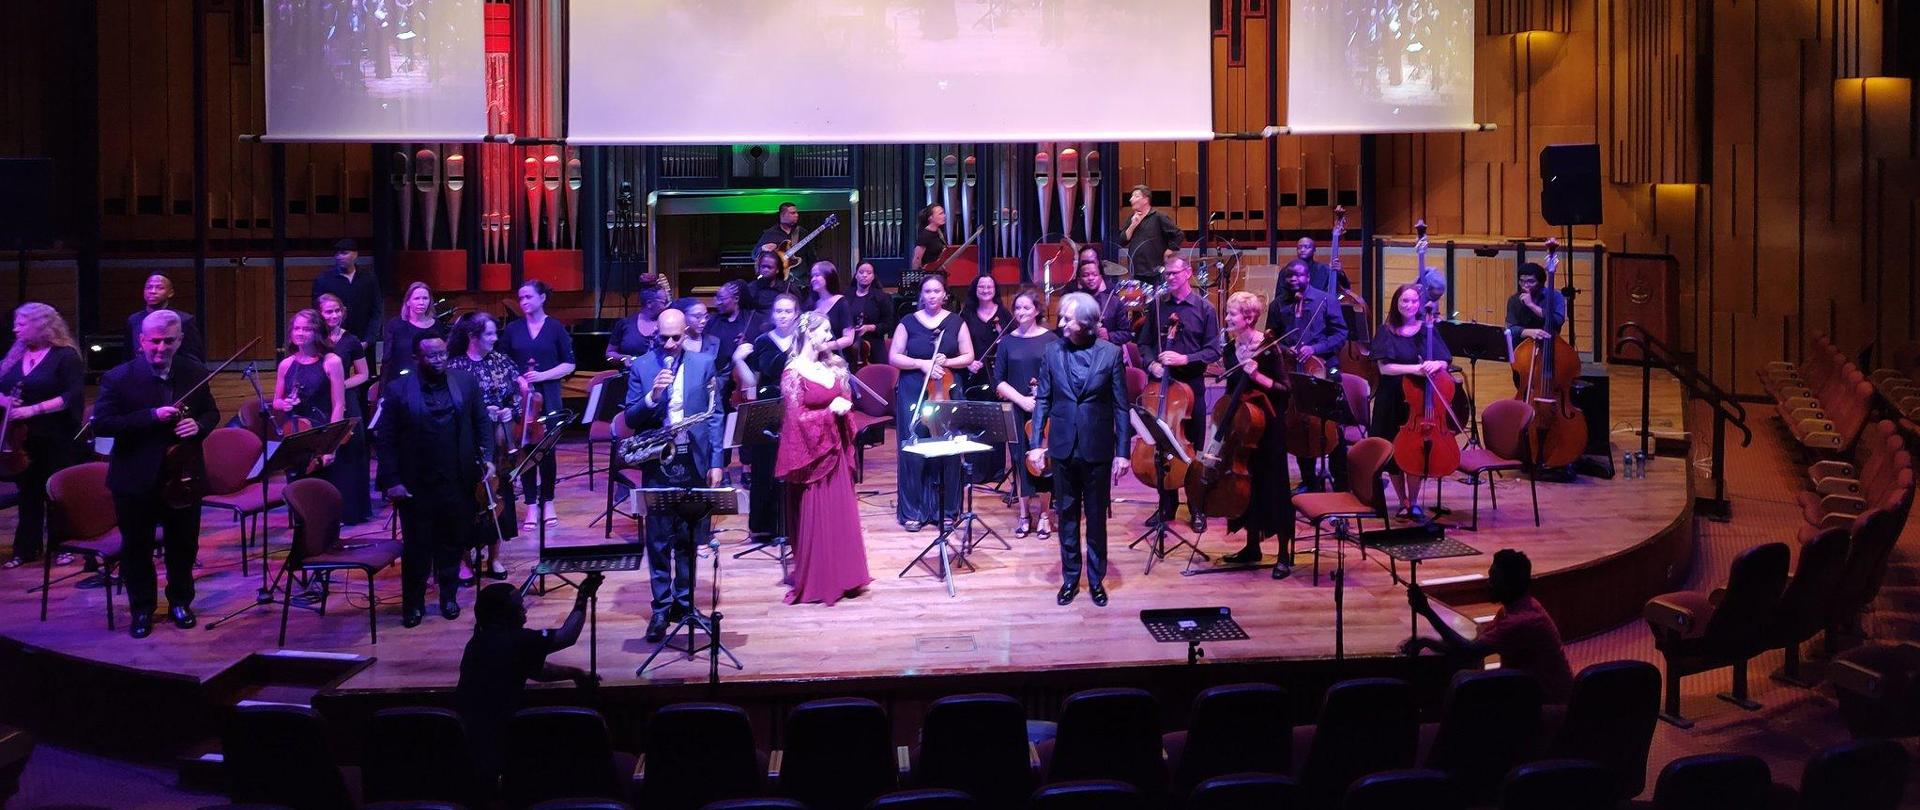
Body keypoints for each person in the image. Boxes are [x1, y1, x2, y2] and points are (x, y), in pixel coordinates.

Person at [92, 310, 220, 638]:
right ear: (142, 341)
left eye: (168, 341)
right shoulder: (118, 377)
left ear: (180, 341)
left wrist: (199, 425)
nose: (161, 348)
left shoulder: (194, 371)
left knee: (183, 545)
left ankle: (180, 602)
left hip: (184, 477)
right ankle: (142, 609)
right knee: (137, 548)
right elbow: (103, 423)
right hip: (135, 478)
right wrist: (150, 416)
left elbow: (211, 412)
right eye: (155, 341)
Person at [619, 308, 725, 642]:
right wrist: (652, 396)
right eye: (663, 338)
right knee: (659, 538)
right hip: (658, 459)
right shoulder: (642, 366)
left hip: (693, 458)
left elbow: (715, 416)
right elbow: (631, 418)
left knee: (689, 535)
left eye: (675, 338)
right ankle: (661, 607)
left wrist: (716, 461)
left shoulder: (704, 363)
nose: (668, 344)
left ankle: (685, 602)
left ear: (686, 333)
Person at [375, 333, 493, 627]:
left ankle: (448, 597)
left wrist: (488, 457)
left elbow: (481, 421)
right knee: (417, 547)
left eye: (442, 354)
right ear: (418, 358)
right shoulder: (398, 389)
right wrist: (392, 480)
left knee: (452, 542)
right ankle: (413, 604)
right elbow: (386, 439)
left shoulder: (464, 382)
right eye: (431, 356)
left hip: (456, 478)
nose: (439, 360)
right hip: (415, 482)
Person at [1026, 292, 1130, 607]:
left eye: (1067, 319)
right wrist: (1035, 445)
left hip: (1097, 447)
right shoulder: (1052, 351)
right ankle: (1071, 578)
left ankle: (1096, 581)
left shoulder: (1111, 354)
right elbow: (1043, 399)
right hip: (1063, 446)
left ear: (1085, 322)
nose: (1061, 323)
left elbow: (1121, 406)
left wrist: (1123, 452)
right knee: (1067, 516)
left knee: (1096, 518)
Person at [457, 574, 603, 780]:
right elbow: (567, 636)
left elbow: (535, 670)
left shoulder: (477, 642)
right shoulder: (518, 640)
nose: (524, 610)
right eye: (518, 607)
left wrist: (575, 673)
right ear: (503, 615)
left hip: (468, 737)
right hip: (498, 739)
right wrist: (583, 596)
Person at [775, 311, 873, 605]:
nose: (830, 337)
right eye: (826, 331)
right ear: (809, 333)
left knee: (840, 513)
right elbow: (796, 419)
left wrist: (843, 398)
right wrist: (830, 412)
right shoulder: (793, 372)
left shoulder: (830, 365)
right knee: (818, 516)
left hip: (835, 449)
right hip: (812, 454)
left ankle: (845, 576)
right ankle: (821, 579)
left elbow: (843, 400)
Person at [1402, 549, 1574, 703]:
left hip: (1549, 704)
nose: (1488, 583)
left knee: (1465, 686)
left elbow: (1469, 652)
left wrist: (1427, 611)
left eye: (1494, 579)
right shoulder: (1517, 608)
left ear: (1509, 584)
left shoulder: (1520, 622)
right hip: (1526, 693)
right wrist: (1428, 642)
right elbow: (1470, 646)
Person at [1138, 255, 1220, 533]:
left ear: (1187, 273)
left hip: (1191, 387)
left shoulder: (1204, 309)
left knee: (1192, 449)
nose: (1170, 278)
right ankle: (1167, 505)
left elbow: (1213, 350)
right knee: (1164, 447)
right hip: (1162, 387)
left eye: (1174, 273)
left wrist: (1184, 359)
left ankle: (1196, 507)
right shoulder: (1157, 306)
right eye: (1167, 274)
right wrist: (1151, 363)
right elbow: (1144, 343)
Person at [1215, 292, 1295, 577]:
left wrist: (1258, 376)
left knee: (1274, 488)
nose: (1227, 318)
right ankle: (1252, 547)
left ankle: (1284, 555)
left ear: (1248, 317)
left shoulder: (1269, 348)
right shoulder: (1230, 349)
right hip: (1242, 427)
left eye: (1231, 313)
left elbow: (1285, 389)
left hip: (1268, 427)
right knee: (1246, 486)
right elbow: (1231, 390)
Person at [0, 303, 84, 569]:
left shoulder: (65, 356)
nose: (15, 329)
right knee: (28, 492)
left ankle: (63, 546)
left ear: (41, 325)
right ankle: (26, 548)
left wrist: (32, 410)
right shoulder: (16, 355)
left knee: (54, 492)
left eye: (21, 324)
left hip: (54, 436)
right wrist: (5, 401)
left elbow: (71, 396)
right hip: (21, 439)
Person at [889, 275, 973, 531]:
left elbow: (969, 356)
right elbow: (894, 356)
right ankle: (913, 510)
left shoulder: (956, 322)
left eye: (937, 291)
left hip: (946, 388)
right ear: (921, 295)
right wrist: (921, 364)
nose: (932, 295)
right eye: (928, 291)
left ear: (945, 294)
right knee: (914, 446)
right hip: (913, 389)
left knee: (947, 447)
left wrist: (946, 362)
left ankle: (946, 510)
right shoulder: (907, 322)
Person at [448, 312, 526, 581]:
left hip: (499, 442)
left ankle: (494, 558)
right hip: (468, 441)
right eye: (489, 334)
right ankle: (464, 561)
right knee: (468, 498)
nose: (495, 338)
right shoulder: (455, 366)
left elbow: (517, 395)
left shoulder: (502, 361)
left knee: (499, 493)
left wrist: (511, 410)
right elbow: (451, 405)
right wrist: (481, 412)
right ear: (473, 336)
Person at [1369, 283, 1456, 521]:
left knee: (1415, 449)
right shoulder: (1386, 331)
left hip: (1419, 400)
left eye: (1414, 301)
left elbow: (1445, 360)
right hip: (1392, 397)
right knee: (1394, 451)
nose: (1409, 305)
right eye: (1404, 301)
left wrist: (1436, 364)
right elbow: (1385, 368)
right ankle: (1402, 501)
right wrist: (1416, 369)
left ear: (1419, 304)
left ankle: (1415, 502)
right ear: (1396, 303)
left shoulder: (1428, 329)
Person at [1267, 259, 1350, 492]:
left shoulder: (1326, 300)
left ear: (1308, 277)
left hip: (1324, 368)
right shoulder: (1278, 305)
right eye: (1289, 276)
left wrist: (1315, 348)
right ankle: (1308, 480)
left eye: (1298, 275)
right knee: (1299, 424)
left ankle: (1341, 481)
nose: (1293, 279)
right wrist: (1286, 350)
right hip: (1293, 370)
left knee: (1332, 425)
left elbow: (1340, 334)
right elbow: (1272, 338)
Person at [500, 280, 575, 529]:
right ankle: (531, 504)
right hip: (522, 397)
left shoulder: (555, 328)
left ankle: (548, 501)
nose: (523, 302)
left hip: (549, 394)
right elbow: (504, 362)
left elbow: (569, 364)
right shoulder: (513, 329)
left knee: (547, 450)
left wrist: (542, 376)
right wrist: (519, 379)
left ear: (542, 298)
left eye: (528, 297)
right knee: (527, 448)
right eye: (521, 298)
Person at [992, 288, 1059, 539]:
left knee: (1043, 461)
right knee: (1020, 461)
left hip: (1046, 409)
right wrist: (1021, 400)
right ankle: (1023, 515)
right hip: (1016, 409)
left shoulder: (1051, 339)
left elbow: (1057, 374)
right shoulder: (1007, 341)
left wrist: (1040, 399)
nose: (1021, 312)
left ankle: (1044, 515)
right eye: (1017, 308)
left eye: (1026, 307)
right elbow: (998, 379)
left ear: (1037, 310)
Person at [732, 295, 799, 545]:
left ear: (796, 314)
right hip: (768, 409)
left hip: (797, 407)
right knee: (765, 468)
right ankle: (765, 527)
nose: (783, 315)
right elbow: (752, 381)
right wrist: (738, 360)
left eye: (788, 311)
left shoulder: (804, 340)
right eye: (779, 311)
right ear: (773, 314)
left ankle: (793, 525)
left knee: (794, 466)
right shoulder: (762, 341)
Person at [318, 294, 373, 523]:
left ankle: (351, 510)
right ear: (320, 314)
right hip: (321, 401)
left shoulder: (351, 340)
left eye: (337, 311)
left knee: (349, 454)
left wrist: (340, 385)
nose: (333, 315)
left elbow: (363, 374)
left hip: (346, 401)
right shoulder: (315, 339)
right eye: (328, 312)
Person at [959, 274, 1012, 482]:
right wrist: (968, 362)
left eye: (989, 286)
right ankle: (977, 471)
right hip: (975, 374)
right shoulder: (967, 314)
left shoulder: (1004, 315)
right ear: (975, 289)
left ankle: (997, 471)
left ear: (995, 289)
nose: (985, 290)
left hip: (998, 374)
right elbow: (958, 343)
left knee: (997, 421)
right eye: (981, 286)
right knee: (976, 421)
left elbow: (1013, 341)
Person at [272, 309, 347, 441]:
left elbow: (339, 405)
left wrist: (331, 440)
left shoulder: (332, 362)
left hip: (322, 429)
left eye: (306, 329)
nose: (300, 333)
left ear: (318, 332)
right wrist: (284, 404)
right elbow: (276, 401)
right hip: (294, 430)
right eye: (296, 328)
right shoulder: (286, 364)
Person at [311, 238, 382, 355]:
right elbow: (317, 312)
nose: (340, 257)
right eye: (337, 254)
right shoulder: (324, 280)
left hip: (364, 341)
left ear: (355, 254)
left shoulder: (369, 279)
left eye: (344, 253)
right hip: (334, 342)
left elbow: (377, 311)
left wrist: (368, 340)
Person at [125, 274, 205, 363]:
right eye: (148, 287)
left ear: (170, 293)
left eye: (159, 288)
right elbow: (128, 356)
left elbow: (193, 359)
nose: (152, 291)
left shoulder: (184, 320)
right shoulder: (134, 320)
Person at [382, 282, 443, 382]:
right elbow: (387, 359)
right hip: (400, 380)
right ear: (408, 302)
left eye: (425, 298)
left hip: (430, 381)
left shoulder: (437, 326)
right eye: (416, 298)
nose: (421, 302)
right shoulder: (395, 325)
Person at [1120, 185, 1182, 284]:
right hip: (1136, 270)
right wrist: (1132, 225)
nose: (1131, 199)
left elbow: (1178, 234)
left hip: (1155, 270)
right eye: (1131, 196)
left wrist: (1170, 249)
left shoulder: (1158, 216)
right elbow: (1122, 241)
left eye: (1136, 196)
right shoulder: (1132, 218)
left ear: (1145, 200)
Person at [606, 278, 671, 368]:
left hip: (661, 373)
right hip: (630, 373)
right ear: (649, 303)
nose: (666, 306)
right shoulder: (625, 324)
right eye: (663, 302)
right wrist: (623, 358)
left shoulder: (667, 323)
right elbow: (609, 353)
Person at [705, 280, 765, 374]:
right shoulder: (712, 321)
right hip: (718, 375)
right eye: (717, 298)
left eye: (722, 299)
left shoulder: (753, 319)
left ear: (736, 299)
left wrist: (748, 341)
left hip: (744, 374)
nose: (717, 303)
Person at [1505, 261, 1568, 347]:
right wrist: (1528, 332)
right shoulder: (1514, 299)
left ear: (1541, 282)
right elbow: (1511, 328)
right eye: (1522, 281)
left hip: (1550, 344)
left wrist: (1532, 305)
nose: (1525, 285)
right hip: (1522, 347)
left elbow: (1558, 320)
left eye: (1531, 281)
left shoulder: (1555, 296)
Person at [803, 261, 857, 355]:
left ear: (829, 276)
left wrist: (825, 346)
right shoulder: (811, 304)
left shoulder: (841, 303)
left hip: (837, 356)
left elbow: (848, 339)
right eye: (812, 276)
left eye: (817, 275)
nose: (813, 279)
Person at [846, 260, 893, 366]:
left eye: (869, 273)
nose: (865, 275)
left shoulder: (882, 297)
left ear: (873, 277)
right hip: (850, 343)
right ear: (856, 275)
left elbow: (888, 324)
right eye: (861, 272)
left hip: (874, 344)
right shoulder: (846, 295)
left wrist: (869, 328)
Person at [744, 250, 805, 316]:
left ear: (777, 270)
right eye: (763, 267)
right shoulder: (751, 288)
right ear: (759, 268)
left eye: (769, 267)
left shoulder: (789, 287)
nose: (766, 270)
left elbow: (799, 310)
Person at [755, 201, 806, 266]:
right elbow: (754, 254)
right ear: (782, 215)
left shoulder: (802, 232)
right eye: (792, 213)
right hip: (779, 271)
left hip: (799, 271)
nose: (797, 215)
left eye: (796, 212)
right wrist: (763, 248)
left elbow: (810, 255)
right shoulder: (770, 233)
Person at [909, 204, 948, 273]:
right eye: (940, 214)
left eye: (943, 213)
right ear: (931, 218)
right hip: (929, 274)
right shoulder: (925, 235)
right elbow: (917, 259)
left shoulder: (939, 232)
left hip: (938, 272)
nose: (944, 216)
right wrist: (915, 275)